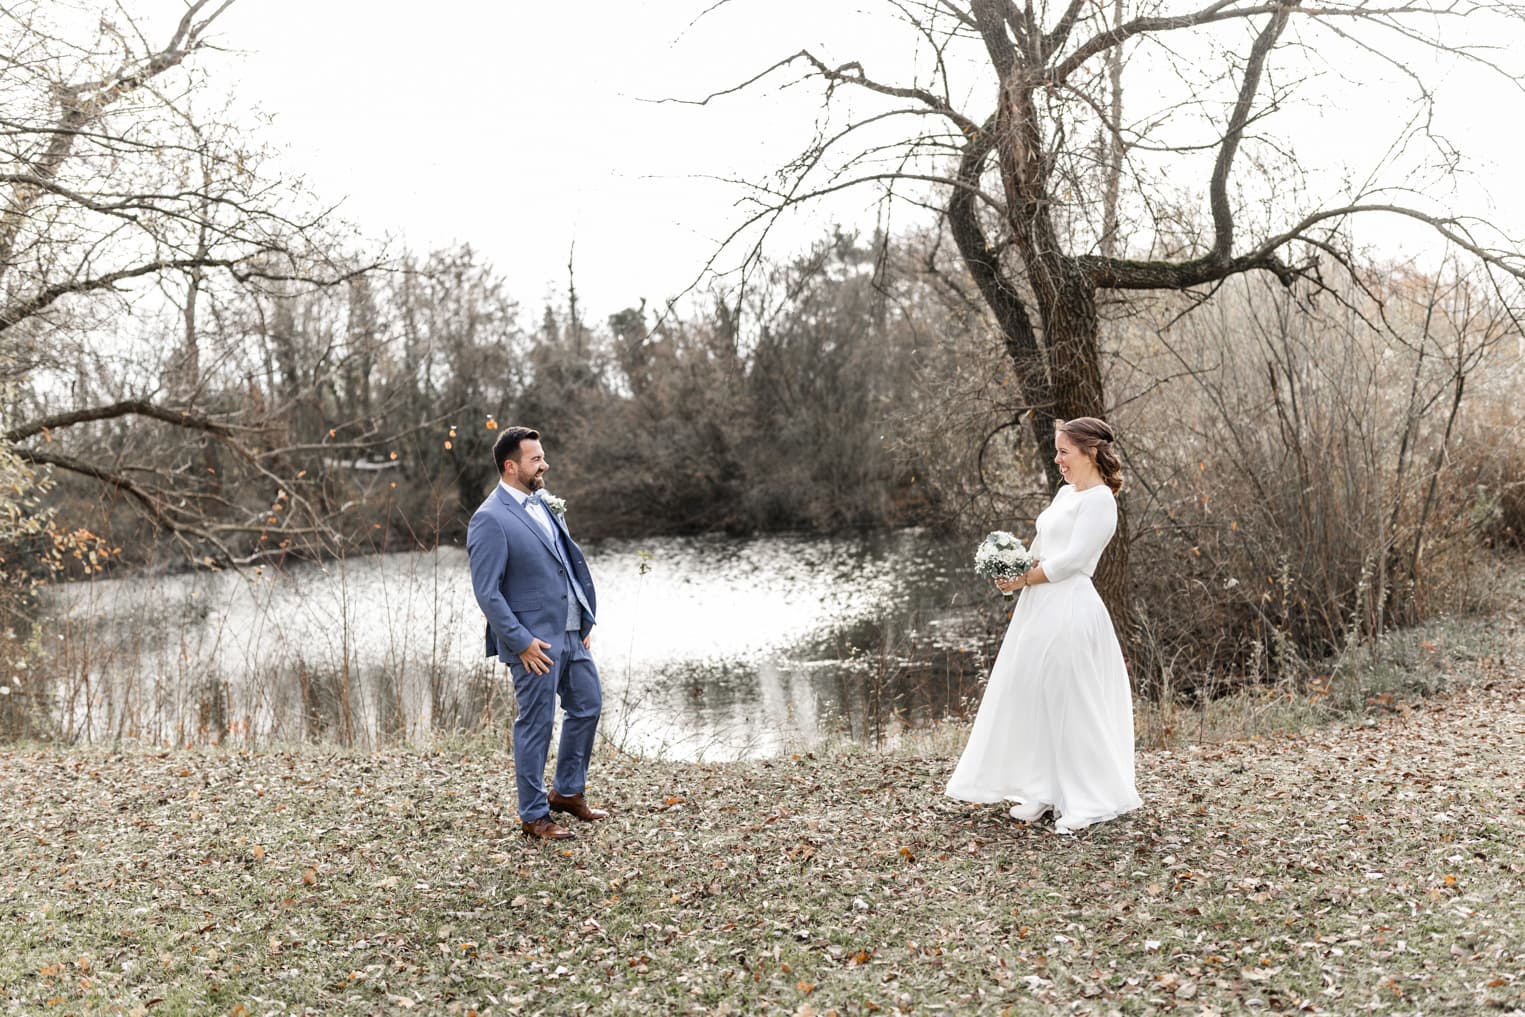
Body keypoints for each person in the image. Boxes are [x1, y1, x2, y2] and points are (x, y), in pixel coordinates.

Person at [946, 417, 1142, 834]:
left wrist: (1026, 578)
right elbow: (1041, 547)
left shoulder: (1100, 501)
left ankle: (1086, 799)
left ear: (1089, 452)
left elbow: (1072, 560)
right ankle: (1041, 788)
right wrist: (1013, 567)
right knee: (1032, 693)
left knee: (1069, 699)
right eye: (1057, 451)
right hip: (1038, 609)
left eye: (1064, 452)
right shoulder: (1064, 493)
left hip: (1070, 607)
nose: (1057, 460)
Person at [467, 426, 608, 840]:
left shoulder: (544, 503)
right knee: (536, 724)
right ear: (511, 467)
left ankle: (566, 793)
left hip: (571, 633)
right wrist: (521, 642)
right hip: (534, 644)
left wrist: (583, 617)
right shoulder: (489, 519)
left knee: (588, 706)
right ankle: (533, 815)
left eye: (542, 456)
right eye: (535, 459)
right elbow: (487, 593)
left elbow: (566, 563)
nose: (544, 464)